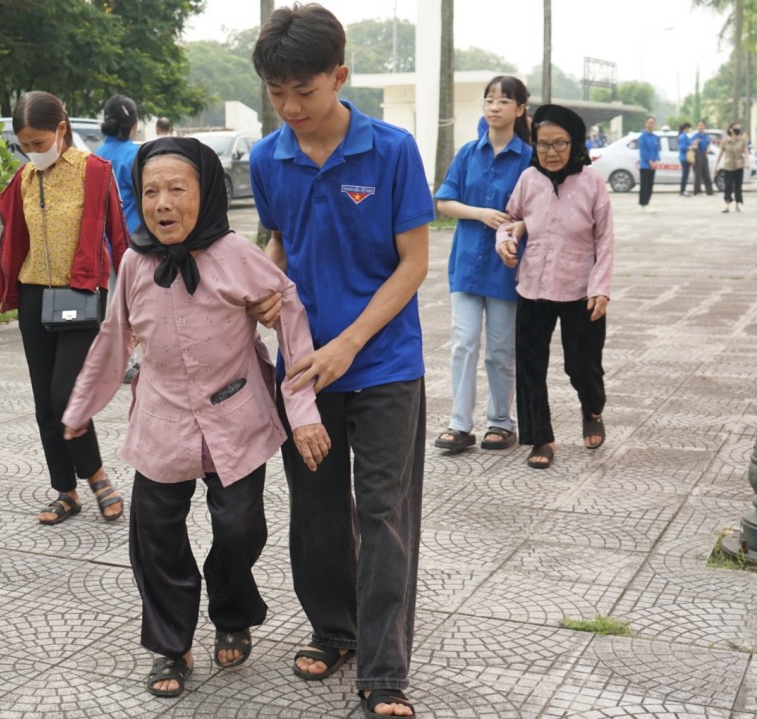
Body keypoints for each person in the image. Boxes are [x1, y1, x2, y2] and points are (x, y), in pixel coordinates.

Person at [60, 137, 331, 698]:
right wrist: (82, 407)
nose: (162, 204)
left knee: (239, 529)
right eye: (151, 191)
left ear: (204, 195)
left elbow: (293, 317)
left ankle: (232, 609)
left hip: (237, 417)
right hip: (161, 420)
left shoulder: (237, 256)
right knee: (154, 536)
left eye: (177, 190)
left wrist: (302, 411)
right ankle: (171, 644)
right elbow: (114, 340)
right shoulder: (135, 264)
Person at [248, 4, 434, 717]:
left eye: (306, 90)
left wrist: (350, 340)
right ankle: (334, 628)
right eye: (277, 93)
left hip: (384, 362)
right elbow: (280, 244)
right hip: (303, 368)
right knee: (318, 509)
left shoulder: (390, 150)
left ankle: (385, 670)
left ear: (340, 75)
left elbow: (413, 263)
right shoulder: (270, 158)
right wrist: (265, 292)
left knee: (384, 511)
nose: (292, 107)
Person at [0, 91, 128, 524]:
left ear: (61, 130)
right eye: (25, 145)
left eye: (39, 143)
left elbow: (121, 238)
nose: (32, 152)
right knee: (45, 403)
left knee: (66, 396)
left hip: (80, 296)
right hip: (35, 299)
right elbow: (9, 249)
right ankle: (66, 491)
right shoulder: (22, 179)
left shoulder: (95, 172)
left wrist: (135, 304)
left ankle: (97, 476)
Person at [496, 104, 614, 470]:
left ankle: (592, 407)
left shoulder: (593, 182)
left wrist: (601, 288)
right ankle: (541, 437)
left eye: (559, 144)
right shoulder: (528, 179)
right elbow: (510, 218)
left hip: (581, 290)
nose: (550, 152)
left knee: (583, 368)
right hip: (532, 288)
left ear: (574, 143)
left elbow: (605, 239)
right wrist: (505, 239)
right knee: (530, 366)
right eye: (543, 145)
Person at [433, 76, 533, 453]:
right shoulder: (467, 153)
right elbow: (444, 202)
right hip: (466, 264)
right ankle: (459, 424)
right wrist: (480, 214)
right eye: (490, 100)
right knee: (463, 343)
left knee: (500, 349)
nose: (494, 107)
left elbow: (538, 210)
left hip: (507, 268)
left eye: (504, 101)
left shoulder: (528, 158)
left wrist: (514, 226)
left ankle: (501, 422)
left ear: (520, 109)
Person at [95, 95, 144, 384]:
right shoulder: (135, 155)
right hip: (130, 242)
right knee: (130, 303)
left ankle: (115, 360)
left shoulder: (97, 154)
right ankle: (125, 361)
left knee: (112, 302)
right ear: (133, 124)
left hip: (101, 242)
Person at [96, 94, 141, 235]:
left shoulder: (95, 156)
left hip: (104, 241)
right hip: (133, 238)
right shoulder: (136, 156)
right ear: (134, 124)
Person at [714, 121, 748, 213]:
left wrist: (747, 162)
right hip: (728, 167)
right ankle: (727, 206)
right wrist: (716, 166)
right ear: (730, 129)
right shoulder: (725, 141)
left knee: (738, 186)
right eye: (736, 128)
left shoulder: (742, 140)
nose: (738, 130)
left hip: (738, 166)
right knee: (728, 186)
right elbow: (720, 154)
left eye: (739, 128)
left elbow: (745, 151)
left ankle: (737, 205)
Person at [638, 115, 660, 212]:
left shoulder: (655, 137)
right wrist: (650, 161)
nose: (651, 124)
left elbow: (657, 150)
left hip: (653, 165)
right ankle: (643, 204)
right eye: (649, 122)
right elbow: (643, 151)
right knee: (644, 185)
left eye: (652, 123)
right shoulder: (643, 137)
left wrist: (656, 161)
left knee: (650, 185)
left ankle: (647, 202)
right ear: (645, 124)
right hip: (645, 165)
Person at [692, 120, 714, 196]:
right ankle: (697, 190)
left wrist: (708, 149)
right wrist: (695, 143)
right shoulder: (695, 136)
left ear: (704, 126)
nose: (701, 127)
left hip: (704, 154)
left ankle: (709, 190)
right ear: (697, 127)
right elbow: (692, 146)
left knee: (706, 173)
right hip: (697, 154)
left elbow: (708, 144)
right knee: (698, 173)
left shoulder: (706, 136)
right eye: (699, 125)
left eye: (702, 125)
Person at [677, 122, 694, 196]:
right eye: (689, 128)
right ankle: (682, 190)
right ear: (686, 128)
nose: (689, 130)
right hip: (685, 158)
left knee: (685, 174)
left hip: (685, 158)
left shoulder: (684, 136)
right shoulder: (683, 137)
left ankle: (683, 189)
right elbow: (682, 147)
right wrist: (690, 147)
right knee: (685, 175)